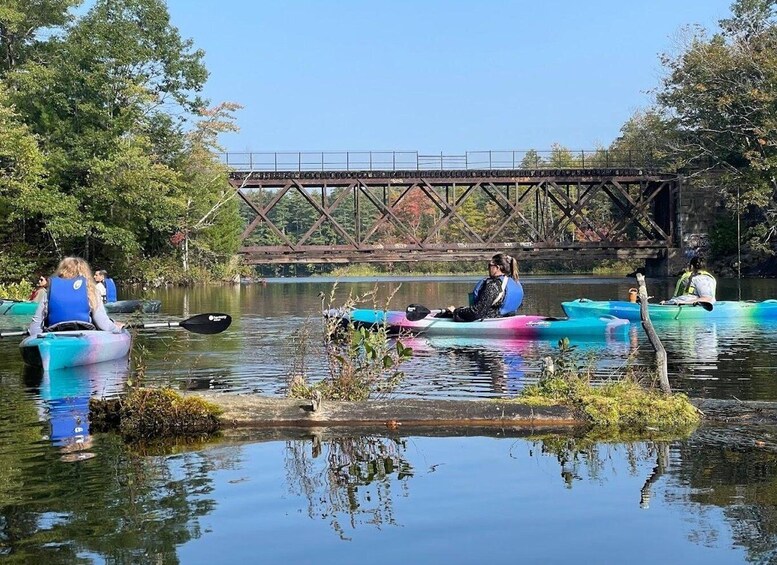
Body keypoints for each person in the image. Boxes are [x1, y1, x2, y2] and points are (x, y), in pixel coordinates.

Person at [28, 257, 123, 336]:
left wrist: (36, 338)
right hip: (85, 333)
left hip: (55, 333)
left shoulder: (49, 291)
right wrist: (117, 328)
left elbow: (35, 327)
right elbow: (102, 322)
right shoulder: (91, 290)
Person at [443, 253, 524, 322]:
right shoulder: (516, 283)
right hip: (509, 319)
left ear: (498, 267)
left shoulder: (493, 285)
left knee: (446, 314)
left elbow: (477, 312)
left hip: (492, 321)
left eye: (490, 265)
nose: (488, 268)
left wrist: (456, 312)